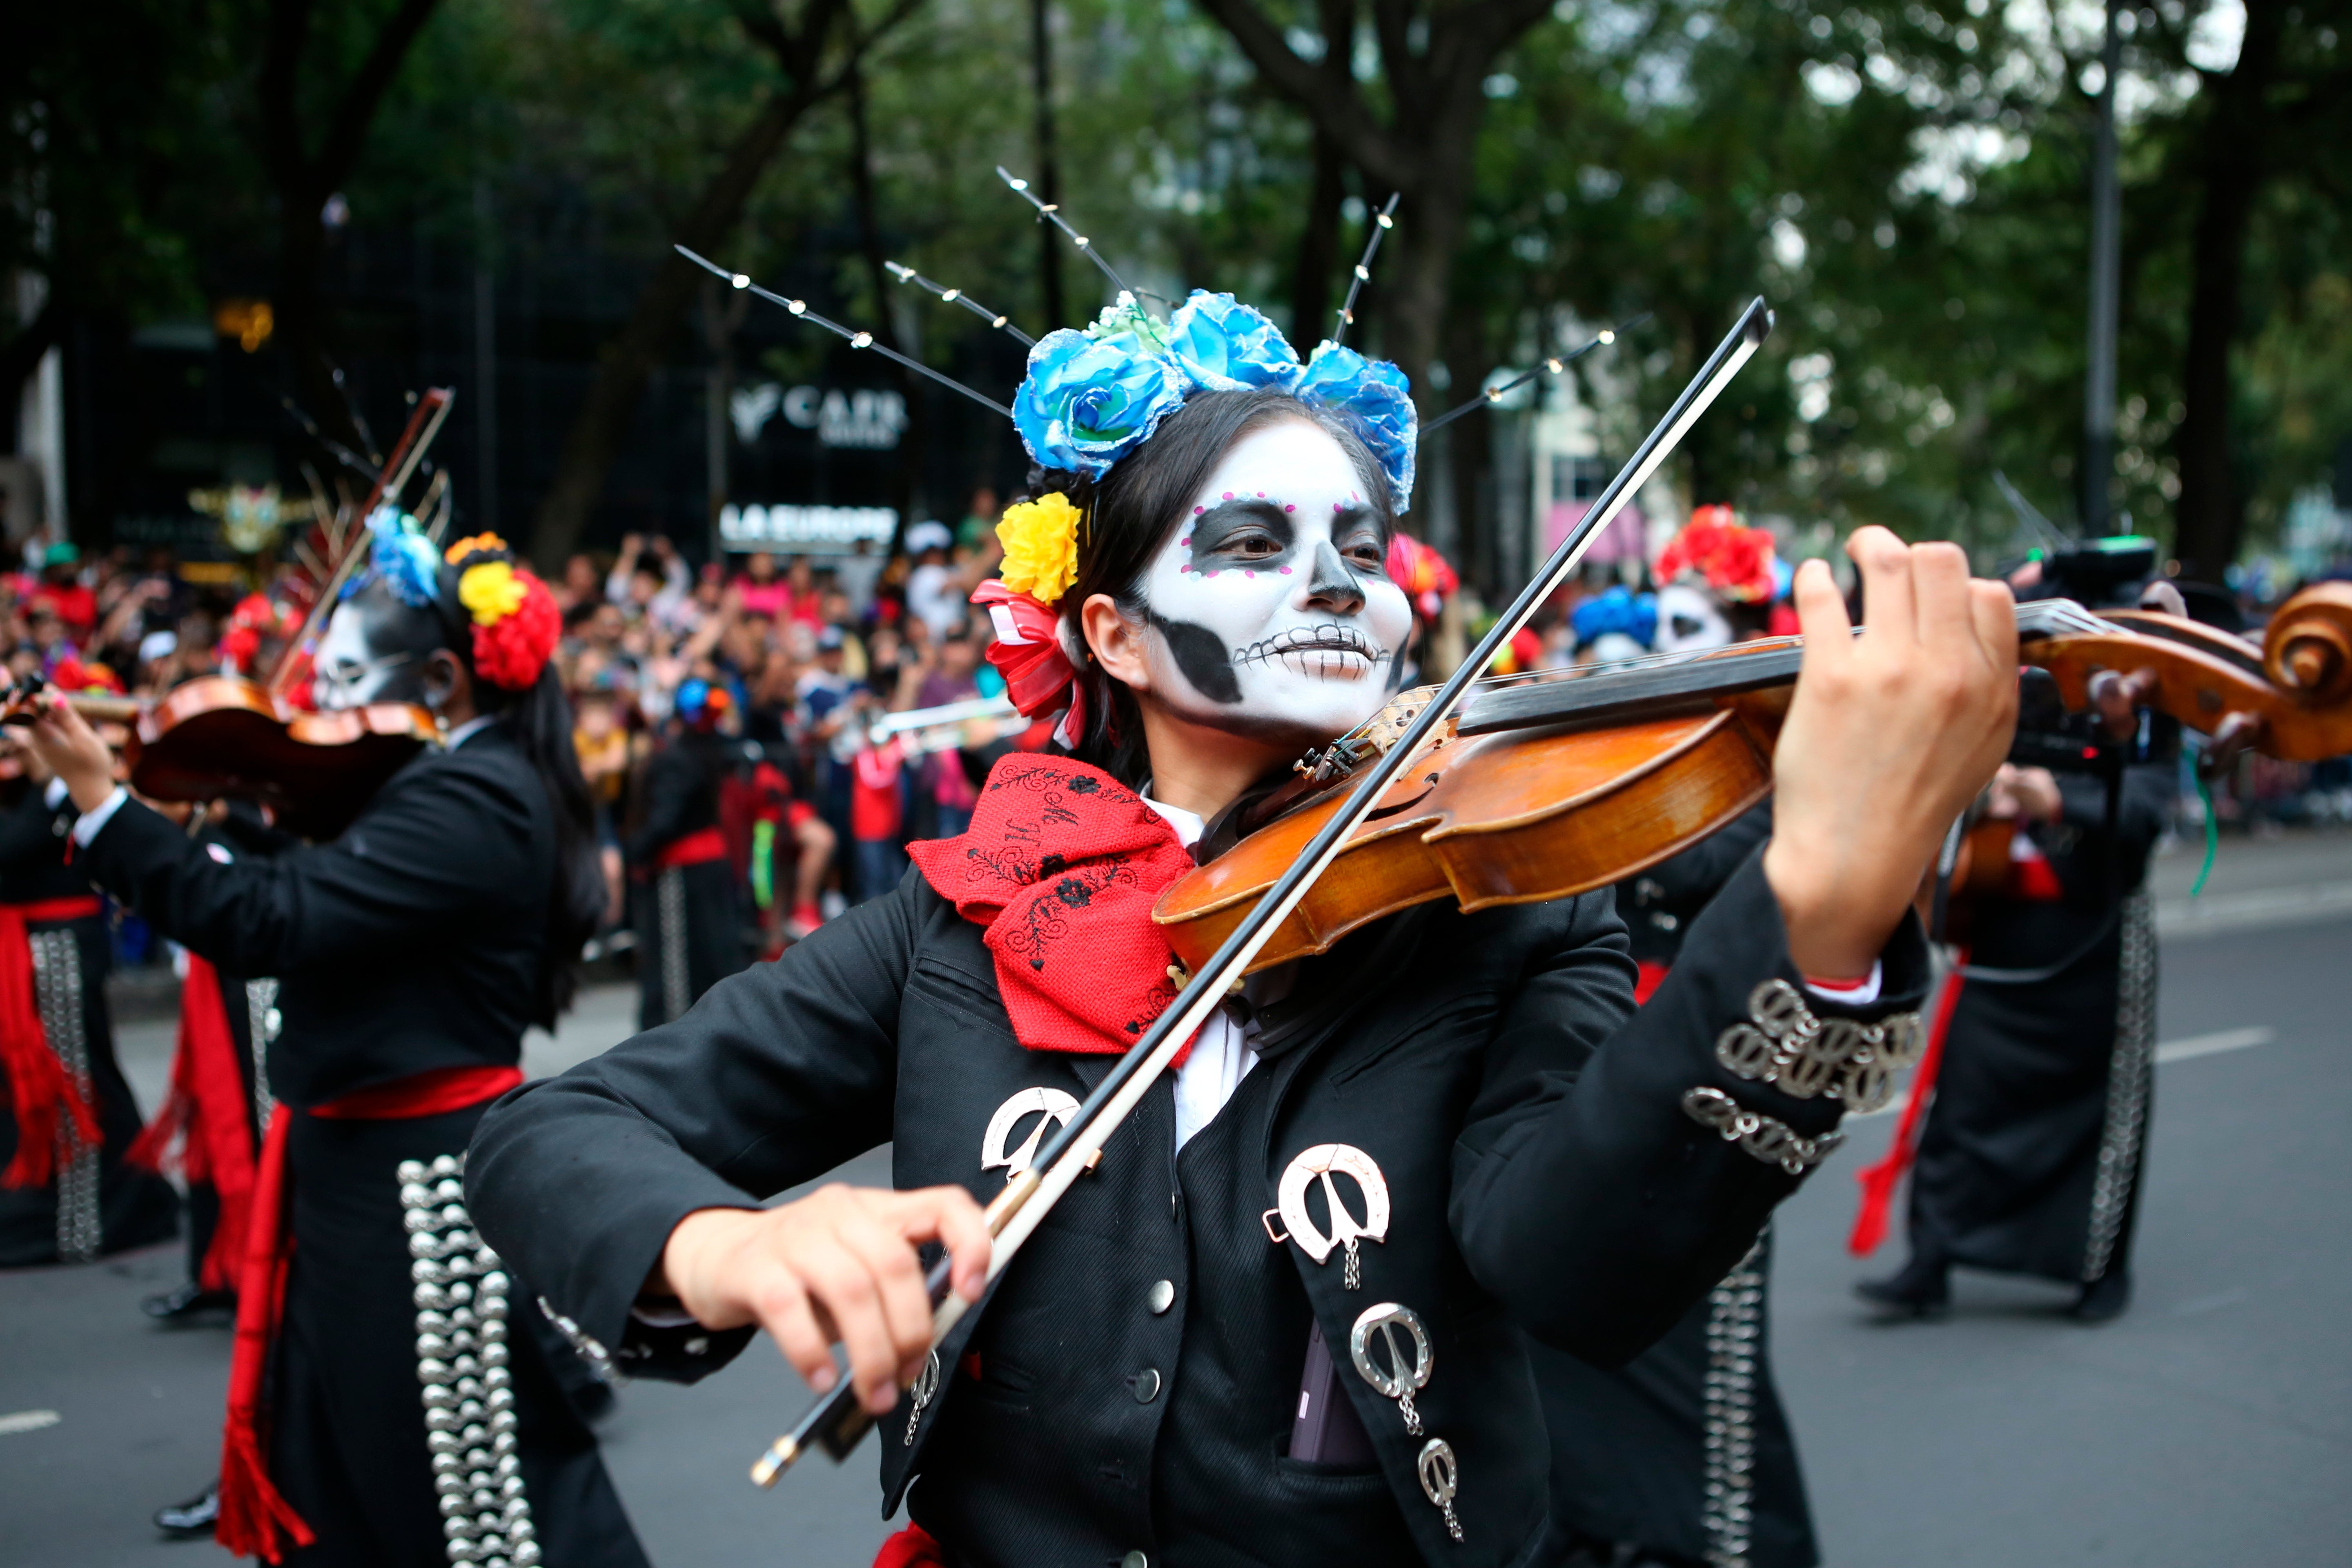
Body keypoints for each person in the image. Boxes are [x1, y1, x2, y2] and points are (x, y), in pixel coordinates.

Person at [465, 295, 2016, 1568]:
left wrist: (1815, 906)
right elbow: (554, 1131)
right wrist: (728, 1241)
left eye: (1359, 546)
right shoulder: (958, 924)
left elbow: (1575, 1265)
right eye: (1256, 544)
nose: (1338, 585)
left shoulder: (1501, 902)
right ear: (1111, 632)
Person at [20, 521, 648, 1568]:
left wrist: (102, 802)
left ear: (443, 678)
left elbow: (270, 919)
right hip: (359, 1175)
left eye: (348, 676)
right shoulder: (442, 782)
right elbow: (315, 887)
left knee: (477, 1501)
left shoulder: (475, 794)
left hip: (416, 1189)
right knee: (345, 1469)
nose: (320, 707)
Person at [1857, 618, 2179, 1325]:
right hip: (2003, 933)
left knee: (2106, 1112)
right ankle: (1930, 1259)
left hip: (2092, 944)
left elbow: (2149, 817)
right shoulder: (2018, 710)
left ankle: (2099, 1271)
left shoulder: (2153, 733)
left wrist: (2054, 801)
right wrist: (1984, 793)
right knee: (1962, 1100)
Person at [0, 703, 178, 1269]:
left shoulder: (58, 788)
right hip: (21, 951)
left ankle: (92, 1221)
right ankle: (43, 1212)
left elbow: (16, 846)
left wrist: (42, 762)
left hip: (61, 948)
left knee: (76, 1079)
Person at [628, 677, 748, 1028]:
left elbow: (666, 820)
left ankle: (670, 1042)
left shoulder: (679, 757)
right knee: (713, 957)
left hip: (682, 876)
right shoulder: (711, 749)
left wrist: (636, 852)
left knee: (677, 970)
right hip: (707, 870)